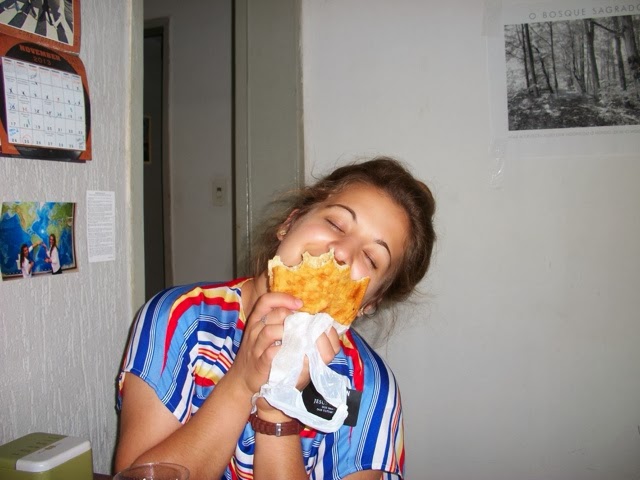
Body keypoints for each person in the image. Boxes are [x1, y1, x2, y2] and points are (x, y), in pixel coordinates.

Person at [115, 156, 436, 480]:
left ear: (371, 301)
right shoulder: (179, 318)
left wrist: (277, 409)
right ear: (290, 222)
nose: (342, 252)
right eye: (336, 224)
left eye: (370, 257)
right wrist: (242, 383)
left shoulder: (367, 387)